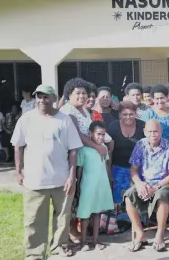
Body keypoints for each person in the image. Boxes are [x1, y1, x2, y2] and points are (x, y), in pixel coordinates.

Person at [11, 84, 83, 259]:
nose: (42, 100)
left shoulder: (64, 120)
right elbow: (18, 146)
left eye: (46, 96)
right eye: (39, 96)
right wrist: (19, 171)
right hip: (35, 179)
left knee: (63, 217)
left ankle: (59, 245)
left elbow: (73, 149)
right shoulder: (26, 119)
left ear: (53, 98)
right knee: (34, 219)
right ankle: (34, 253)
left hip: (61, 178)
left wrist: (72, 176)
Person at [60, 78, 113, 241]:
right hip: (74, 158)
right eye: (77, 93)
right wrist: (97, 147)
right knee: (73, 195)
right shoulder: (68, 110)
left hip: (89, 158)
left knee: (82, 196)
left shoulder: (83, 110)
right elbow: (78, 135)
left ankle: (80, 229)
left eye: (84, 93)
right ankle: (69, 230)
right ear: (69, 94)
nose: (82, 96)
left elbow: (92, 131)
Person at [124, 120, 169, 252]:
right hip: (144, 183)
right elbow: (133, 170)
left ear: (161, 132)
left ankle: (160, 234)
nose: (153, 135)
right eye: (149, 132)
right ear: (144, 132)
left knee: (162, 196)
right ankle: (140, 234)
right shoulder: (140, 145)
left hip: (163, 183)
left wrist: (155, 187)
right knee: (128, 196)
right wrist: (139, 184)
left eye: (156, 131)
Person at [77, 121, 114, 251]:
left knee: (98, 212)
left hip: (101, 186)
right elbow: (79, 170)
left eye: (103, 135)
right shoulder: (84, 150)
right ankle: (83, 241)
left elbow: (106, 167)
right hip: (88, 186)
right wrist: (78, 188)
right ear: (91, 134)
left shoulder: (104, 148)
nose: (101, 137)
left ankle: (96, 240)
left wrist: (109, 182)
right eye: (98, 134)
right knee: (85, 214)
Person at [106, 101, 146, 218]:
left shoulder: (142, 126)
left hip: (138, 169)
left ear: (135, 113)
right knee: (119, 198)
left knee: (137, 196)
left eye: (131, 114)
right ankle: (120, 222)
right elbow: (110, 151)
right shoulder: (113, 127)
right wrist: (108, 169)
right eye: (124, 114)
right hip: (118, 168)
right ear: (119, 115)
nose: (128, 117)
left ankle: (137, 222)